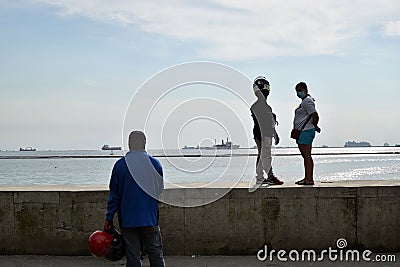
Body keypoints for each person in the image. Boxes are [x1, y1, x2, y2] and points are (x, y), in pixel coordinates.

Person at [105, 130, 166, 267]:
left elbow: (114, 196)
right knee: (155, 253)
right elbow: (159, 189)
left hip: (128, 220)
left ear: (129, 144)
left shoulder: (120, 166)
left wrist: (109, 218)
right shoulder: (155, 164)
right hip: (150, 218)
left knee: (133, 256)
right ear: (145, 143)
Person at [250, 76, 283, 185]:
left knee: (261, 155)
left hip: (261, 134)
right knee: (265, 155)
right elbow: (267, 123)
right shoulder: (260, 107)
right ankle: (270, 176)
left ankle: (260, 177)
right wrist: (274, 133)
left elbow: (270, 123)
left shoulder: (260, 106)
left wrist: (275, 134)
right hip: (263, 134)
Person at [293, 82, 321, 185]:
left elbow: (315, 115)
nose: (298, 93)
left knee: (307, 155)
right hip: (303, 131)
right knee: (305, 156)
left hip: (306, 131)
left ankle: (309, 178)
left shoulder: (307, 101)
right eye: (297, 91)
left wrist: (315, 125)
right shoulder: (305, 101)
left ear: (305, 90)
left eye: (300, 90)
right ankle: (307, 177)